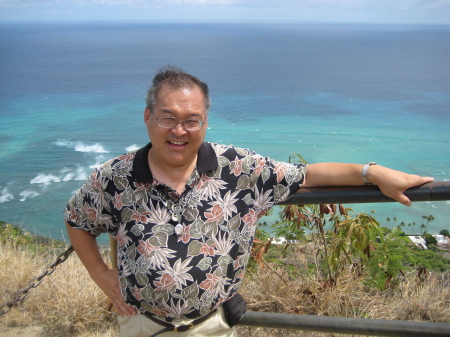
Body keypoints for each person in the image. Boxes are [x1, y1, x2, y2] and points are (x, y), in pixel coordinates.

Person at [64, 66, 434, 337]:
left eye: (192, 120)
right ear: (148, 117)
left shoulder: (239, 169)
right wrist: (101, 275)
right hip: (141, 325)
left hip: (212, 326)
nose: (179, 131)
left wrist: (373, 173)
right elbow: (77, 220)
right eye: (167, 118)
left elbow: (308, 174)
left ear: (205, 123)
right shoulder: (114, 176)